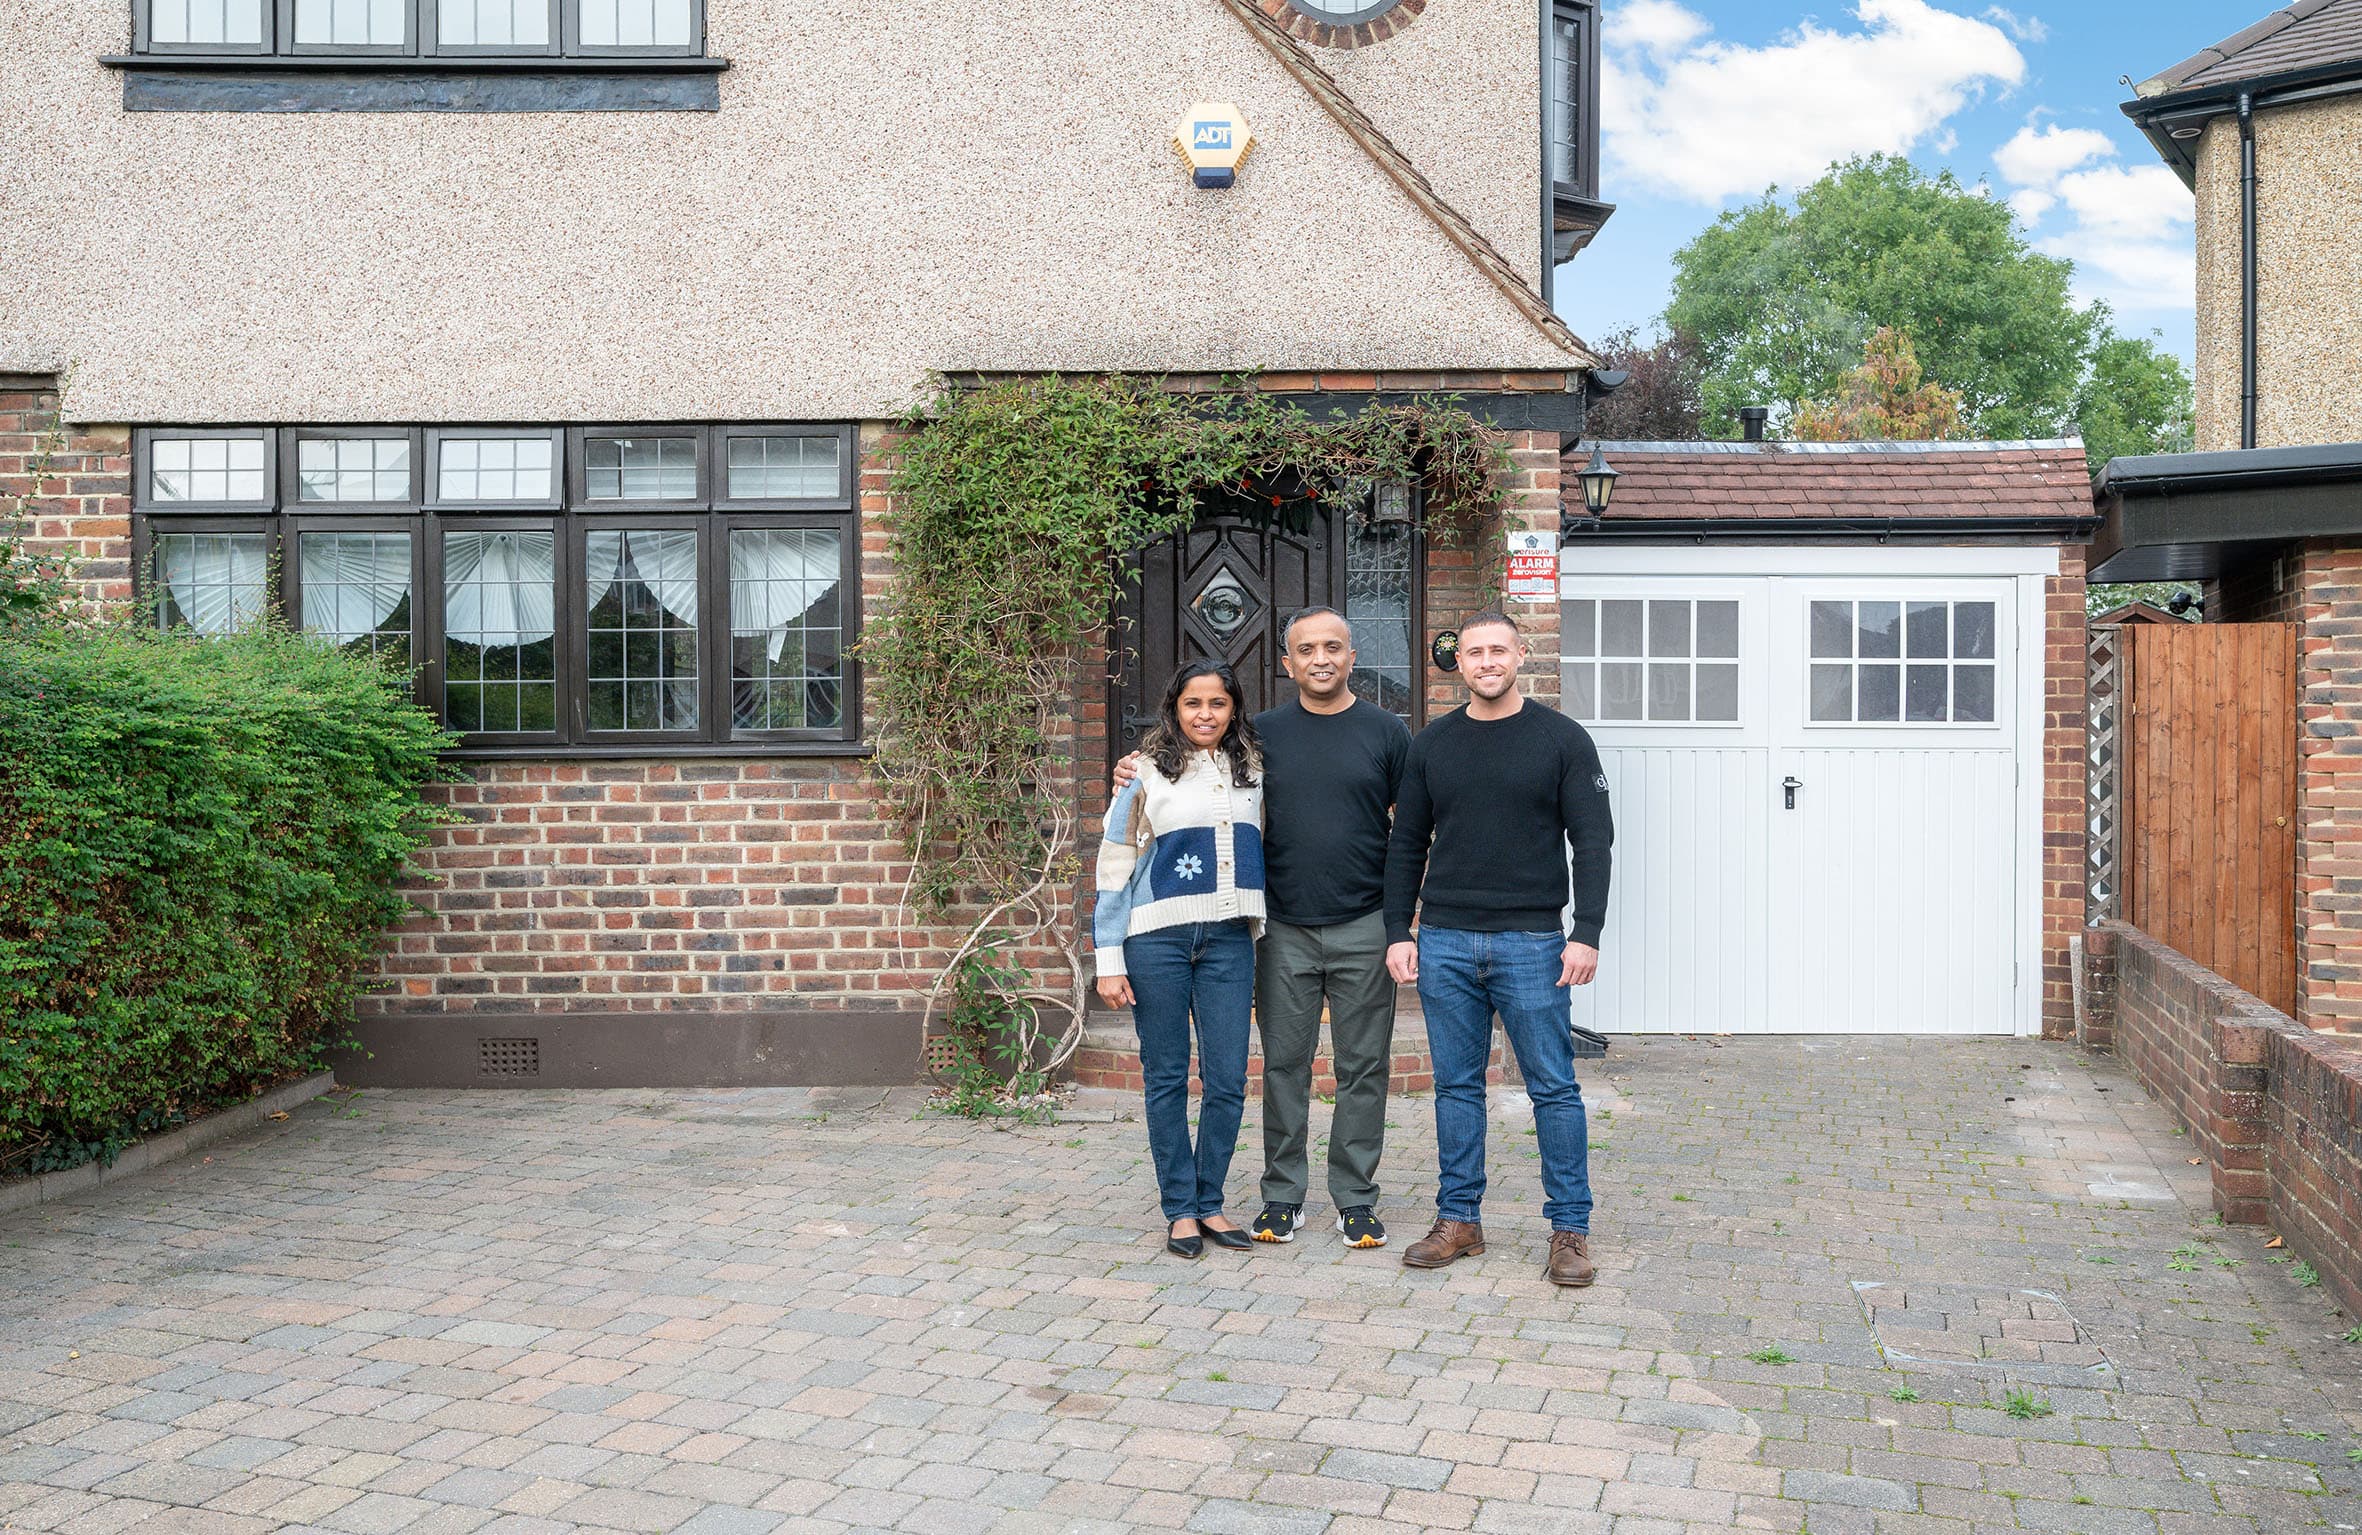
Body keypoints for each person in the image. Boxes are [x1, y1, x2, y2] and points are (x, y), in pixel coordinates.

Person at [1120, 608, 1410, 1249]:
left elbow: (1410, 829)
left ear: (1352, 655)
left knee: (1364, 1067)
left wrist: (1399, 924)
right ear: (1288, 662)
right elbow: (1190, 768)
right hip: (1278, 928)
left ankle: (1356, 1199)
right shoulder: (1260, 739)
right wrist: (1133, 770)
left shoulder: (1388, 733)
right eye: (1307, 649)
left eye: (1333, 647)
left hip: (1364, 923)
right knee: (1283, 1065)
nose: (1321, 659)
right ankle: (1282, 1196)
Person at [1383, 610, 1613, 1288]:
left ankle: (1569, 1229)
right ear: (1460, 663)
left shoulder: (1562, 740)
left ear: (1521, 656)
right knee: (1456, 1085)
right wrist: (1400, 928)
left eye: (1498, 650)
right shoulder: (1432, 744)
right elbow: (1405, 844)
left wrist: (1588, 931)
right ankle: (1460, 1219)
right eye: (1475, 651)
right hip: (1446, 939)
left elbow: (1592, 842)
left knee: (1553, 1086)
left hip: (1534, 941)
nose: (1486, 661)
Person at [1094, 661, 1267, 1260]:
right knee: (1165, 1076)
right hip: (1155, 941)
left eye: (1218, 704)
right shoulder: (1143, 774)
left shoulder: (1254, 770)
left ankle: (1210, 1198)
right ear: (1174, 708)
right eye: (1193, 703)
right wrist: (1108, 956)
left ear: (1233, 709)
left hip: (1227, 940)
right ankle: (1179, 1209)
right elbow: (1114, 863)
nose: (1205, 714)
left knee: (1227, 1077)